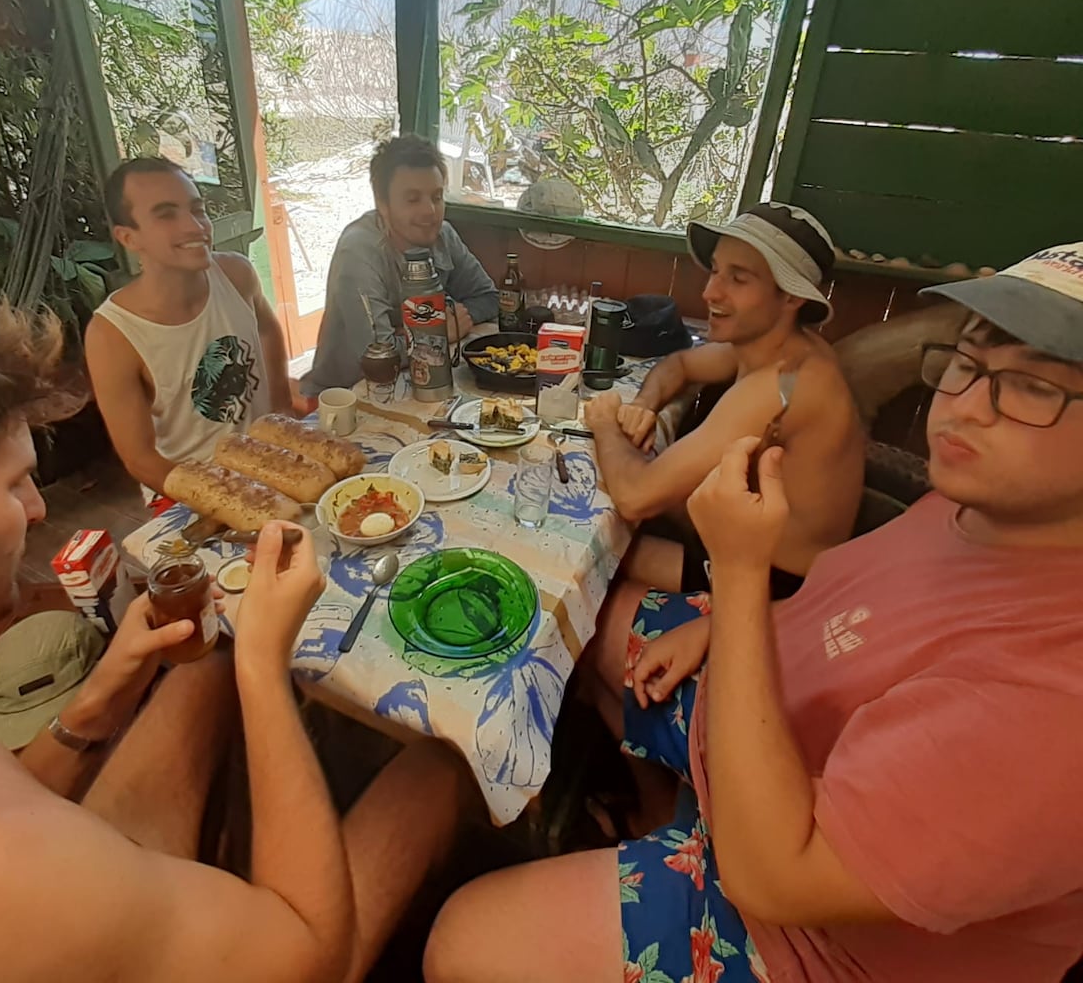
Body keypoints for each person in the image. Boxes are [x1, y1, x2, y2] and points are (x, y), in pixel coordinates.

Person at [424, 242, 1083, 983]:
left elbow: (771, 878)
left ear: (793, 299)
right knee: (589, 622)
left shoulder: (1056, 702)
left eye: (1029, 385)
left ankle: (660, 842)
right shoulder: (974, 507)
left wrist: (735, 575)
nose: (964, 403)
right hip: (762, 708)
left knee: (460, 942)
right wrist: (717, 623)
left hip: (803, 925)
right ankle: (657, 816)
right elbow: (838, 596)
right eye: (966, 363)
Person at [0, 290, 473, 983]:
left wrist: (99, 698)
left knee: (203, 659)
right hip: (265, 942)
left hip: (58, 884)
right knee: (442, 762)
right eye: (15, 487)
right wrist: (263, 662)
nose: (40, 511)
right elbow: (309, 952)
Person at [585, 201, 864, 598]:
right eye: (716, 270)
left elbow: (634, 496)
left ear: (790, 298)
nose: (710, 291)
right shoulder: (767, 343)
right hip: (736, 541)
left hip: (778, 582)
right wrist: (646, 403)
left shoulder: (783, 384)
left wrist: (604, 423)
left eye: (739, 278)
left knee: (595, 559)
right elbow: (680, 364)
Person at [85, 157, 293, 498]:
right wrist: (229, 496)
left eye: (198, 209)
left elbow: (268, 330)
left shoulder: (237, 275)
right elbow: (139, 459)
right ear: (128, 237)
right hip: (187, 489)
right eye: (167, 214)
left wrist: (282, 409)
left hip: (270, 464)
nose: (196, 227)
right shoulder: (112, 334)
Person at [304, 134, 499, 395]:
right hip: (343, 398)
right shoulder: (359, 250)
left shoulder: (443, 234)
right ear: (382, 204)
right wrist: (439, 331)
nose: (430, 211)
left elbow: (487, 297)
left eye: (437, 196)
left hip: (418, 383)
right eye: (412, 199)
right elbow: (378, 354)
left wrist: (418, 331)